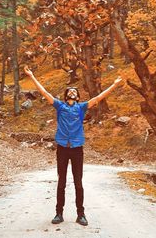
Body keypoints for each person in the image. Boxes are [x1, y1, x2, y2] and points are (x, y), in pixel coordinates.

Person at [23, 65, 123, 226]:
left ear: (77, 96)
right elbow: (44, 93)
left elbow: (98, 98)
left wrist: (115, 84)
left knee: (78, 182)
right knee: (61, 181)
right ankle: (59, 213)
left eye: (74, 91)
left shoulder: (81, 107)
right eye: (69, 91)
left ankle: (81, 214)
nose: (72, 92)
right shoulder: (60, 106)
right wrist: (32, 76)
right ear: (65, 96)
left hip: (77, 149)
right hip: (62, 148)